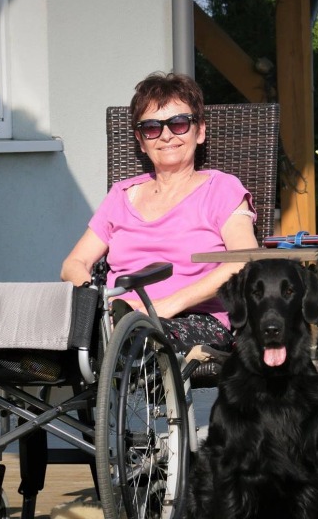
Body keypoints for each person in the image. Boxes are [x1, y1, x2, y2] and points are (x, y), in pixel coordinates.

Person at [61, 71, 259, 354]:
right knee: (48, 339)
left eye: (179, 123)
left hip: (193, 319)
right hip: (117, 319)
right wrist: (100, 304)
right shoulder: (121, 195)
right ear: (141, 141)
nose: (166, 135)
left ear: (200, 131)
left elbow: (244, 260)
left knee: (139, 338)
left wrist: (164, 306)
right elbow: (73, 263)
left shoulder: (221, 189)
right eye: (152, 128)